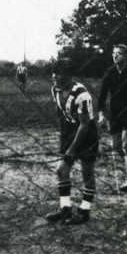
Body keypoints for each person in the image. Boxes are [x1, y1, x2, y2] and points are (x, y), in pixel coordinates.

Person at [46, 58, 99, 224]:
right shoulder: (55, 90)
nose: (55, 76)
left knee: (87, 173)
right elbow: (60, 113)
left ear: (69, 75)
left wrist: (72, 148)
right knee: (61, 170)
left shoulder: (81, 94)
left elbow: (84, 124)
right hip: (70, 132)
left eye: (59, 73)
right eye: (54, 73)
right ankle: (65, 209)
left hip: (87, 135)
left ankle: (84, 211)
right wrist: (64, 138)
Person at [98, 45, 127, 192]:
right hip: (114, 113)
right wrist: (101, 114)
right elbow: (102, 95)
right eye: (113, 53)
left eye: (119, 53)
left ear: (126, 56)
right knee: (117, 146)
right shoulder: (109, 73)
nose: (115, 56)